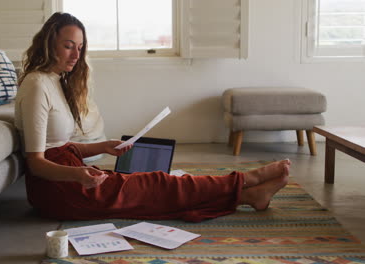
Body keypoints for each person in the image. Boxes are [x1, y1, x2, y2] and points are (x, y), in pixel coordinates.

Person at [14, 12, 290, 222]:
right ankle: (245, 180)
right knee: (157, 185)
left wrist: (103, 146)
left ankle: (249, 195)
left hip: (68, 175)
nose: (77, 54)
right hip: (56, 189)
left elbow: (59, 146)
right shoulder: (37, 85)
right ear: (50, 44)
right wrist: (78, 175)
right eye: (68, 46)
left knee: (153, 192)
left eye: (80, 47)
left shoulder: (56, 80)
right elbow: (37, 163)